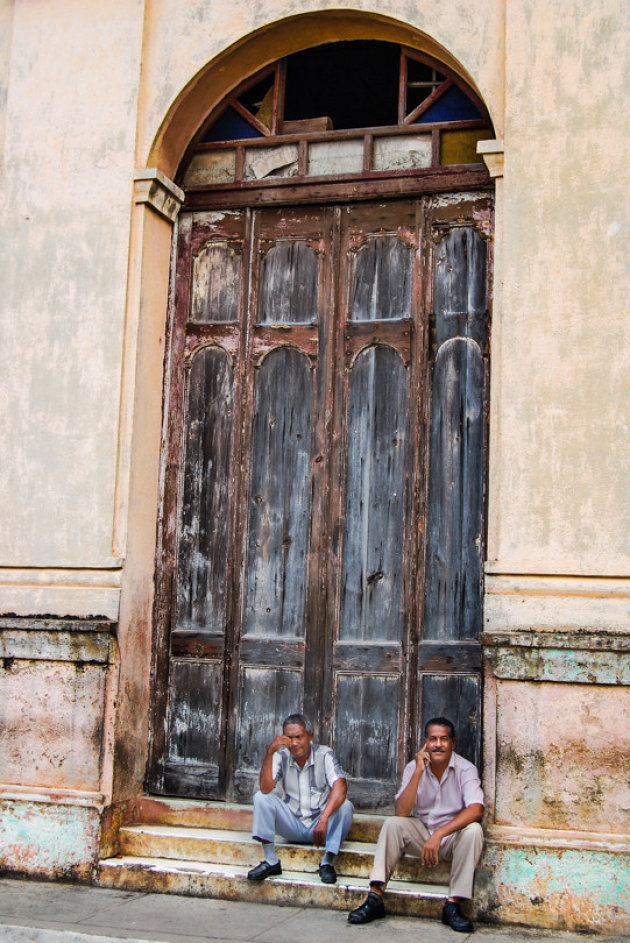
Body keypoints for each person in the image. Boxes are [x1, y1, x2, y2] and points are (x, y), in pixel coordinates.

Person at [348, 716, 484, 932]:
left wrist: (439, 835)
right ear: (425, 743)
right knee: (393, 824)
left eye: (443, 739)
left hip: (451, 839)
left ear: (453, 743)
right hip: (423, 835)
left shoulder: (465, 769)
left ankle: (453, 905)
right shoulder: (414, 767)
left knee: (474, 830)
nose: (438, 745)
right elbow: (401, 811)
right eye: (433, 739)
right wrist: (419, 772)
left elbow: (476, 809)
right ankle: (375, 897)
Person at [247, 712, 354, 885]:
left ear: (310, 736)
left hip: (319, 826)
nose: (294, 743)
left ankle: (327, 862)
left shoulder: (324, 754)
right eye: (289, 738)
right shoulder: (280, 756)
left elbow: (341, 787)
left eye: (299, 737)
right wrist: (269, 752)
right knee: (261, 798)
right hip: (292, 824)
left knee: (345, 806)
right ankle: (271, 861)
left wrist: (324, 817)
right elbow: (265, 788)